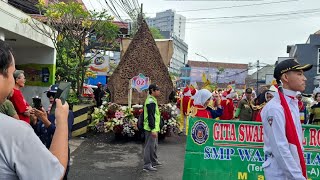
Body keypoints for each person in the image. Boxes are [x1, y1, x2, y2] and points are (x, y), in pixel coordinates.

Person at [0, 40, 69, 179]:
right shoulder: (15, 132)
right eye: (12, 73)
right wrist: (62, 121)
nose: (13, 82)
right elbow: (53, 175)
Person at [261, 58, 311, 180]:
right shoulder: (275, 108)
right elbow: (280, 148)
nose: (304, 78)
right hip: (279, 172)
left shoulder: (292, 104)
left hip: (292, 168)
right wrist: (298, 177)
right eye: (299, 74)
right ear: (286, 78)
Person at [30, 84, 74, 179]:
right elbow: (39, 132)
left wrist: (45, 120)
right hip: (44, 153)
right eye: (49, 94)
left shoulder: (67, 113)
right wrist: (34, 121)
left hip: (59, 154)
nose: (50, 97)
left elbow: (63, 136)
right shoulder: (47, 112)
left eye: (53, 95)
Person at [143, 84, 162, 172]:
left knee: (154, 146)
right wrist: (153, 130)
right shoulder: (151, 101)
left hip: (154, 127)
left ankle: (153, 161)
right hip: (151, 128)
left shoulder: (153, 100)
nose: (159, 91)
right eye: (157, 90)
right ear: (152, 91)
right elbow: (151, 116)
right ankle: (147, 164)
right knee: (149, 146)